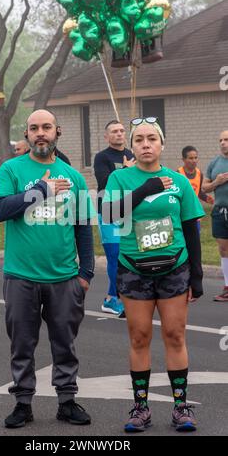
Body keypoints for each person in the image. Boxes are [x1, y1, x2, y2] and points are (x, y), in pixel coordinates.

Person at [0, 109, 94, 428]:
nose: (40, 133)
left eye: (46, 127)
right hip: (20, 275)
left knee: (65, 342)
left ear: (57, 132)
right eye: (34, 128)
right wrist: (41, 191)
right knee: (22, 341)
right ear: (27, 134)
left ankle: (66, 401)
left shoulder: (73, 177)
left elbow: (82, 227)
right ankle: (23, 403)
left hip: (64, 277)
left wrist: (85, 273)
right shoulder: (12, 169)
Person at [102, 117, 205, 432]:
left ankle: (180, 407)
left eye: (151, 139)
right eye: (139, 140)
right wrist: (145, 188)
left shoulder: (179, 181)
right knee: (139, 337)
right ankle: (141, 408)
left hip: (175, 267)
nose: (145, 144)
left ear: (162, 144)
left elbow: (191, 227)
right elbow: (109, 215)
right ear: (132, 146)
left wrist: (197, 276)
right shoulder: (120, 178)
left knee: (175, 336)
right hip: (134, 270)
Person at [94, 120, 134, 316]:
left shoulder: (132, 155)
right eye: (114, 131)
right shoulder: (102, 157)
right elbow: (104, 182)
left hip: (130, 210)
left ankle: (110, 298)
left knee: (127, 255)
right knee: (114, 255)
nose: (119, 134)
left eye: (121, 130)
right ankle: (117, 298)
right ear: (106, 137)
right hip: (109, 209)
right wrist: (125, 170)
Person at [202, 130, 228, 301]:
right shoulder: (214, 163)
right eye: (220, 140)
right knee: (224, 250)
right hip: (220, 212)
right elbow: (204, 188)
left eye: (226, 139)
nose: (223, 143)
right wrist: (217, 182)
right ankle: (227, 287)